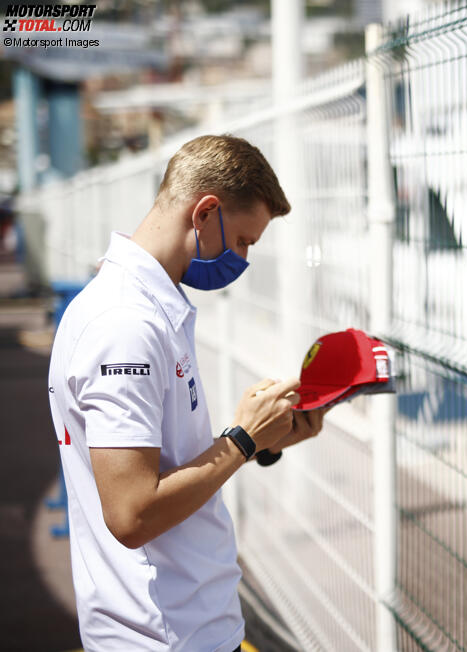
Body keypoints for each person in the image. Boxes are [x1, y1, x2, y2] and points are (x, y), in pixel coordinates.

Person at [47, 135, 327, 651]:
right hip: (163, 634)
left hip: (187, 624)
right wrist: (241, 439)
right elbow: (132, 512)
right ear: (205, 213)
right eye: (244, 240)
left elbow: (167, 465)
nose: (241, 259)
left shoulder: (148, 306)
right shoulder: (125, 326)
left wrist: (263, 439)